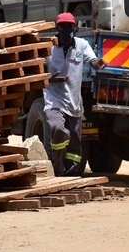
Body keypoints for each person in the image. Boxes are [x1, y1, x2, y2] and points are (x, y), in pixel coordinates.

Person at [44, 12, 107, 176]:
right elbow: (38, 69)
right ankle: (58, 169)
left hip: (74, 102)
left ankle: (71, 174)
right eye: (62, 27)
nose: (66, 30)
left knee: (75, 144)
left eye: (69, 27)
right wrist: (50, 78)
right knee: (58, 129)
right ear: (57, 28)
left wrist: (98, 64)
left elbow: (92, 61)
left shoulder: (82, 45)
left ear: (75, 28)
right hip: (53, 98)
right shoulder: (49, 47)